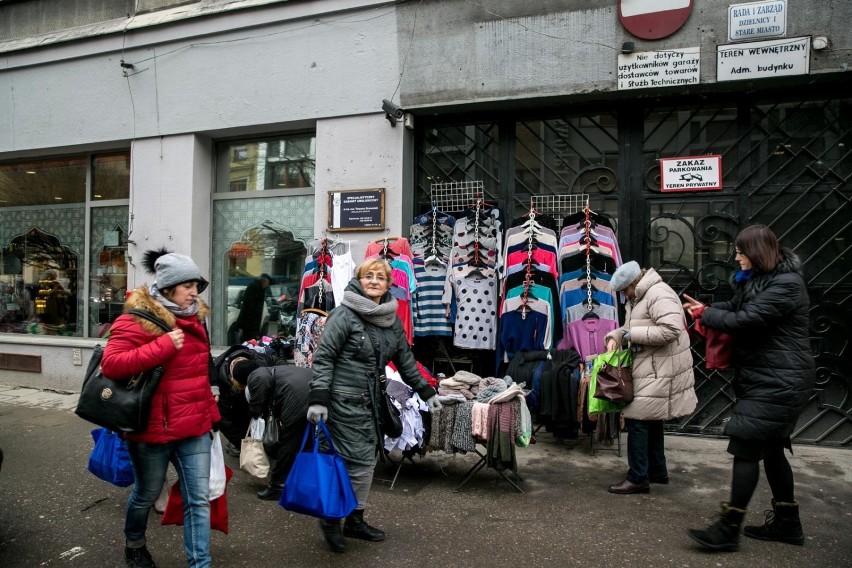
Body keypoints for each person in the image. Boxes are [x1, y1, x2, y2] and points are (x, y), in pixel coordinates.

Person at [684, 225, 815, 552]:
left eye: (741, 251)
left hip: (780, 379)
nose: (737, 257)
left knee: (745, 446)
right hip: (770, 376)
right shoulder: (761, 281)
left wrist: (707, 314)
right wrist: (705, 310)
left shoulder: (786, 284)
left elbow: (747, 320)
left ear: (756, 253)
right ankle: (787, 524)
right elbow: (735, 309)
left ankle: (729, 529)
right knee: (770, 448)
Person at [306, 259, 442, 553]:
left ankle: (354, 519)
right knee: (339, 461)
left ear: (389, 284)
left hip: (372, 403)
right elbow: (324, 358)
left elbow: (405, 361)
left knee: (366, 462)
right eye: (368, 276)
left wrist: (426, 391)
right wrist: (319, 397)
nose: (374, 281)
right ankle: (331, 519)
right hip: (341, 402)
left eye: (380, 277)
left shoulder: (391, 320)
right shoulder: (344, 315)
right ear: (359, 279)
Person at [101, 248, 220, 568]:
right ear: (168, 287)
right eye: (188, 285)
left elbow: (199, 371)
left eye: (197, 285)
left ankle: (200, 564)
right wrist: (161, 347)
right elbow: (112, 364)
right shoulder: (136, 318)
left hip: (194, 425)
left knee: (198, 499)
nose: (195, 291)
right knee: (146, 492)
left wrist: (212, 413)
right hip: (152, 427)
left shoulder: (196, 317)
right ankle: (134, 543)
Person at [603, 260, 697, 495]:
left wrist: (630, 334)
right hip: (653, 366)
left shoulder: (657, 293)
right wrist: (616, 336)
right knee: (652, 419)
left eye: (625, 291)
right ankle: (657, 470)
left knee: (636, 419)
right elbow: (630, 326)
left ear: (634, 283)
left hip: (659, 367)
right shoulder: (640, 297)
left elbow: (671, 329)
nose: (624, 296)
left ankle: (637, 477)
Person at [245, 364, 313, 501]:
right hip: (310, 386)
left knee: (289, 441)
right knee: (306, 439)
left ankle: (277, 486)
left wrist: (256, 411)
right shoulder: (270, 371)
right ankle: (302, 481)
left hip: (297, 394)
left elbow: (257, 408)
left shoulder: (257, 379)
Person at [229, 273, 271, 343]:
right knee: (247, 338)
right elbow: (248, 306)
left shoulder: (260, 288)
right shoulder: (254, 287)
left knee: (249, 338)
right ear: (264, 281)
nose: (267, 285)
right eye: (267, 283)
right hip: (250, 321)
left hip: (253, 321)